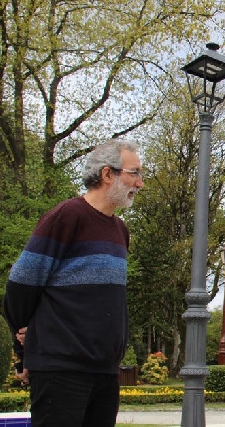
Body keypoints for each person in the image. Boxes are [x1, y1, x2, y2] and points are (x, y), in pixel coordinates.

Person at [3, 139, 144, 427]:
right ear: (108, 174)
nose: (140, 183)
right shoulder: (67, 216)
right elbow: (20, 288)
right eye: (135, 173)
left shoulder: (120, 230)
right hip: (61, 371)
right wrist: (26, 350)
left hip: (105, 373)